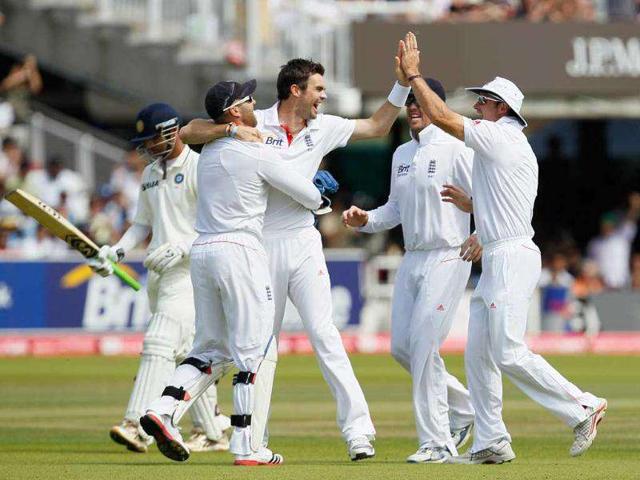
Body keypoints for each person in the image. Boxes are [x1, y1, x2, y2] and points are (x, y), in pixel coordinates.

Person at [178, 52, 414, 459]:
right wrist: (231, 134)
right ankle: (252, 440)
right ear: (295, 90)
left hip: (303, 240)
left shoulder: (324, 127)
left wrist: (404, 83)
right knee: (259, 347)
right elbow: (189, 132)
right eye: (318, 89)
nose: (324, 96)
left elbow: (378, 125)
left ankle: (358, 432)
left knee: (325, 334)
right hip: (257, 245)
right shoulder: (253, 121)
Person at [396, 32, 607, 463]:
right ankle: (492, 440)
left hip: (511, 255)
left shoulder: (503, 137)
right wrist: (478, 219)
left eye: (483, 101)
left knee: (507, 349)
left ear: (502, 108)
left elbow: (442, 117)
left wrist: (413, 76)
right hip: (497, 250)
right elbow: (508, 203)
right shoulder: (502, 146)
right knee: (478, 355)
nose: (476, 107)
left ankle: (582, 406)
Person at [139, 80, 326, 466]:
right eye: (247, 99)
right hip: (240, 250)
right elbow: (306, 195)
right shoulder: (252, 150)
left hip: (204, 250)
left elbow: (191, 129)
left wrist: (228, 130)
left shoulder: (206, 151)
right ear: (233, 111)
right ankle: (247, 445)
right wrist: (321, 196)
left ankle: (163, 408)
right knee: (254, 349)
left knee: (210, 350)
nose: (255, 102)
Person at [342, 83, 477, 463]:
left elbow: (489, 196)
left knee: (422, 346)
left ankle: (437, 442)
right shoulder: (402, 153)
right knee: (402, 347)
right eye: (410, 102)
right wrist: (365, 219)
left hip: (449, 253)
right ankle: (465, 407)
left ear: (438, 106)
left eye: (421, 102)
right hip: (413, 258)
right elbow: (394, 210)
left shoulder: (458, 147)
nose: (414, 107)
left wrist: (482, 232)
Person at [88, 103, 230, 455]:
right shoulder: (151, 173)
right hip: (161, 275)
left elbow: (219, 223)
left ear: (169, 131)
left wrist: (183, 246)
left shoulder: (200, 167)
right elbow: (142, 225)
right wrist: (116, 251)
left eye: (151, 139)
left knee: (159, 342)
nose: (147, 147)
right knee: (185, 352)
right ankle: (213, 431)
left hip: (192, 271)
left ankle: (137, 424)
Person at [587, 192, 640, 289]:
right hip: (602, 286)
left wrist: (635, 206)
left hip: (622, 284)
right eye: (604, 224)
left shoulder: (622, 238)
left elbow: (630, 220)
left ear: (614, 225)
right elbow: (590, 264)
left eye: (609, 224)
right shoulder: (594, 243)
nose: (606, 227)